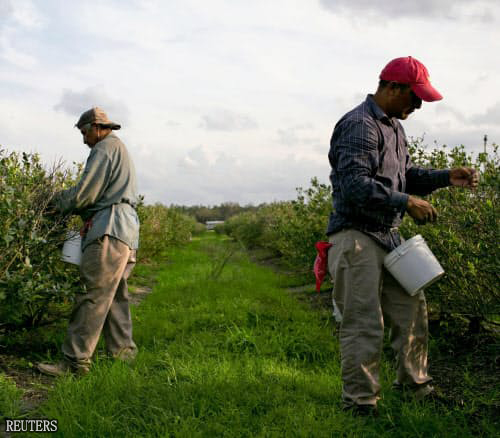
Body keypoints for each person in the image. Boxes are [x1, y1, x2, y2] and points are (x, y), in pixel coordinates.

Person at [326, 56, 478, 415]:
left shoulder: (394, 127)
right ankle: (361, 404)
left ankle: (416, 390)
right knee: (364, 323)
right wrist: (405, 201)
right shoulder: (360, 125)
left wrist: (445, 177)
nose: (418, 106)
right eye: (415, 97)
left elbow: (405, 175)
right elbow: (354, 185)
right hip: (356, 237)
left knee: (412, 313)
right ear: (393, 88)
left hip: (388, 236)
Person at [38, 107, 140, 376]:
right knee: (115, 297)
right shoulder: (118, 148)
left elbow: (85, 194)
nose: (84, 140)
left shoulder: (104, 148)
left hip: (109, 228)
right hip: (126, 231)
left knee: (91, 295)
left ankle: (74, 362)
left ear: (96, 127)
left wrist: (53, 202)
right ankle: (123, 356)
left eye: (84, 133)